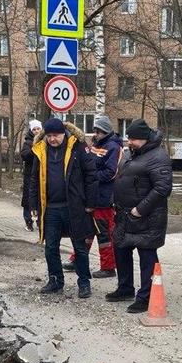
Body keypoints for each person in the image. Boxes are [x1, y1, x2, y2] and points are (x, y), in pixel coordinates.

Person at [106, 119, 173, 314]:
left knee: (147, 256)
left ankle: (146, 296)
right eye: (129, 138)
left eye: (133, 139)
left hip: (147, 217)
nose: (129, 142)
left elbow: (162, 188)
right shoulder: (130, 155)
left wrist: (139, 210)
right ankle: (125, 288)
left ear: (144, 139)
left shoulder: (158, 157)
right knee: (121, 249)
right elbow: (120, 179)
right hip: (123, 214)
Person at [29, 118, 97, 298]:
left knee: (79, 247)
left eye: (56, 135)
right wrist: (33, 204)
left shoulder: (77, 147)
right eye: (49, 136)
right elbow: (34, 179)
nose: (52, 139)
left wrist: (90, 203)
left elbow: (91, 175)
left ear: (63, 134)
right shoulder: (40, 151)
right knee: (51, 247)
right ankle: (55, 280)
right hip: (50, 208)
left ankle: (84, 283)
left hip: (74, 207)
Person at [63, 115, 123, 279]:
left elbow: (111, 172)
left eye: (98, 131)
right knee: (85, 231)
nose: (95, 134)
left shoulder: (114, 147)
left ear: (105, 131)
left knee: (104, 235)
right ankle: (77, 260)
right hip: (90, 197)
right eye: (94, 131)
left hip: (103, 199)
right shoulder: (96, 145)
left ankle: (108, 267)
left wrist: (90, 176)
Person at [20, 119, 43, 232]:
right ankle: (28, 221)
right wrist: (34, 150)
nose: (36, 131)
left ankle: (40, 222)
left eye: (38, 129)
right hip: (30, 175)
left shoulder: (45, 140)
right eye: (34, 129)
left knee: (40, 199)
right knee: (28, 199)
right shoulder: (28, 142)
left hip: (42, 175)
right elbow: (24, 155)